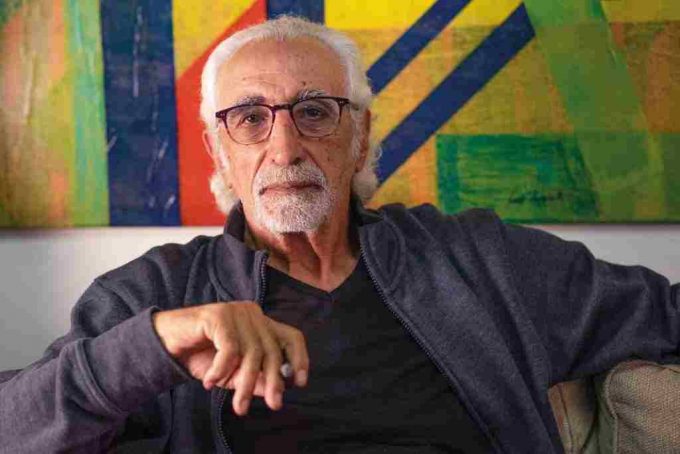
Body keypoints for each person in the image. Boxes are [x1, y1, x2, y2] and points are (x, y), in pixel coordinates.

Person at [1, 16, 678, 454]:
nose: (285, 146)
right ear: (219, 150)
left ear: (360, 136)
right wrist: (157, 344)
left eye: (315, 111)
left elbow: (665, 314)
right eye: (250, 118)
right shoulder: (157, 292)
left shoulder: (477, 258)